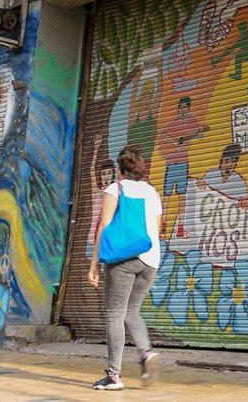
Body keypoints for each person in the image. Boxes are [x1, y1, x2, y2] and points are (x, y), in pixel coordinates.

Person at [88, 145, 163, 391]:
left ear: (120, 170)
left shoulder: (115, 188)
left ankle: (114, 376)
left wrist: (94, 264)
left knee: (114, 314)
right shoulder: (152, 192)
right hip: (150, 260)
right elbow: (157, 228)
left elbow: (104, 226)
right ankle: (146, 353)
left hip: (123, 260)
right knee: (131, 311)